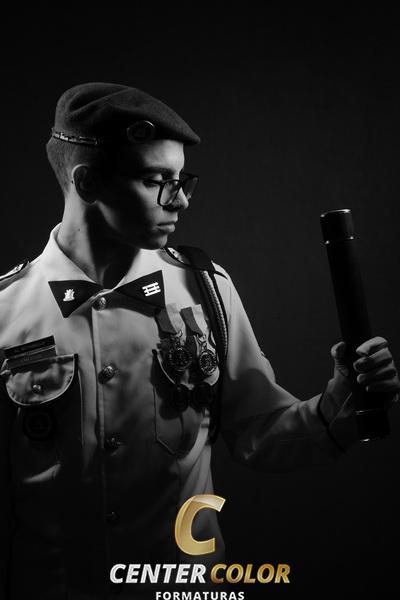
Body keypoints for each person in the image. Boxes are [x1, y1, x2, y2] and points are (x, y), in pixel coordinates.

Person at [0, 82, 398, 600]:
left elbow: (260, 433)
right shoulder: (6, 310)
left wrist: (340, 399)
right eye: (156, 181)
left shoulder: (206, 289)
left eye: (182, 180)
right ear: (88, 182)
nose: (181, 199)